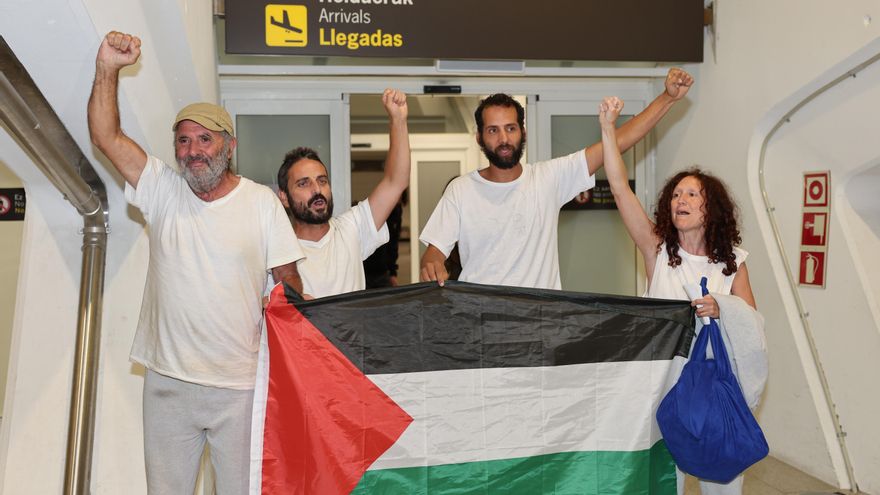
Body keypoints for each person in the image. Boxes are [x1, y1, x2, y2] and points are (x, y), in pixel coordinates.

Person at [88, 31, 305, 494]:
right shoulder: (162, 189)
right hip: (168, 385)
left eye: (205, 139)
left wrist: (292, 318)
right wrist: (107, 66)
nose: (192, 151)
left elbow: (290, 280)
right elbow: (105, 136)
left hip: (241, 387)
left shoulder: (262, 202)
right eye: (183, 141)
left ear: (230, 146)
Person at [598, 95, 756, 494]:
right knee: (667, 479)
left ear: (711, 208)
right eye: (675, 195)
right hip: (662, 386)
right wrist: (607, 129)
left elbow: (754, 324)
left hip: (715, 386)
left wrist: (725, 307)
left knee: (723, 478)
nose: (680, 201)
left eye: (691, 195)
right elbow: (619, 188)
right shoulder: (657, 250)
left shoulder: (732, 262)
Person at [419, 68, 694, 290]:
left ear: (522, 133)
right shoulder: (461, 190)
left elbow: (619, 141)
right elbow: (434, 253)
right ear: (479, 137)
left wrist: (667, 98)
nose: (503, 139)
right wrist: (432, 263)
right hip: (479, 328)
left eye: (510, 129)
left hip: (540, 327)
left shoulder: (547, 178)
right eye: (493, 130)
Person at [276, 89, 410, 298]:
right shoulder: (277, 252)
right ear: (284, 197)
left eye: (322, 181)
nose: (317, 190)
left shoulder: (351, 229)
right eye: (304, 184)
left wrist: (398, 120)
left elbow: (396, 181)